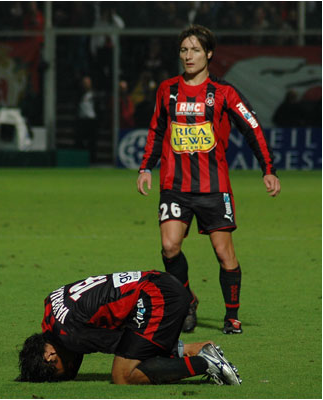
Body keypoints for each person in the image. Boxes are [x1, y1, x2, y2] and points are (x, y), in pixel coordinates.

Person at [136, 25, 281, 335]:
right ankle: (187, 300)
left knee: (224, 253)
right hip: (174, 186)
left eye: (196, 50)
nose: (189, 56)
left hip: (213, 188)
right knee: (169, 246)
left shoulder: (224, 92)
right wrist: (146, 166)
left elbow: (252, 127)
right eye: (184, 50)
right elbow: (157, 129)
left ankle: (231, 315)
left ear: (209, 54)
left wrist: (268, 169)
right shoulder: (167, 90)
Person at [17, 269, 241, 385]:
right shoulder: (50, 309)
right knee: (137, 348)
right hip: (157, 285)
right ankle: (201, 350)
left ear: (49, 355)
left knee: (123, 374)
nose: (65, 375)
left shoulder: (70, 335)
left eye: (55, 374)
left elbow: (123, 343)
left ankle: (207, 363)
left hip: (157, 297)